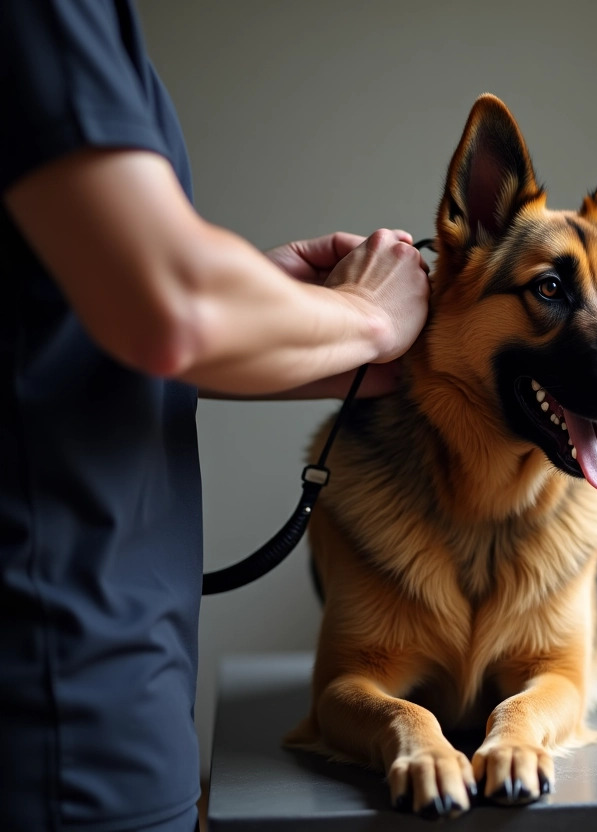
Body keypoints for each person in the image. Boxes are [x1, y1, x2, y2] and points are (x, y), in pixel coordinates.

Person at [0, 2, 430, 830]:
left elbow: (83, 330)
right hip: (64, 730)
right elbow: (169, 311)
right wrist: (368, 316)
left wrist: (272, 317)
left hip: (95, 709)